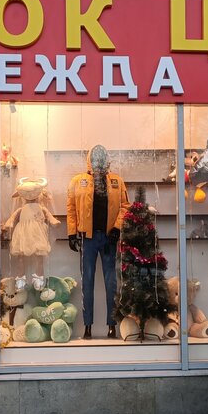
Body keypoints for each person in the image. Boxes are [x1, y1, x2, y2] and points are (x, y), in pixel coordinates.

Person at [66, 145, 130, 340]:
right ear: (90, 161)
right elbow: (71, 208)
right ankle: (87, 326)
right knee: (87, 282)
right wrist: (72, 233)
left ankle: (112, 325)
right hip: (87, 238)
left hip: (109, 238)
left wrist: (117, 228)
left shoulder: (117, 181)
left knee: (111, 283)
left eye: (102, 159)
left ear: (107, 161)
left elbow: (125, 206)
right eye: (95, 159)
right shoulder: (78, 181)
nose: (99, 162)